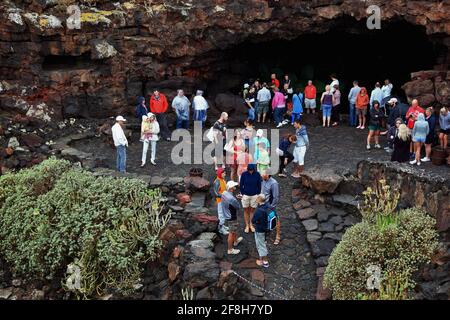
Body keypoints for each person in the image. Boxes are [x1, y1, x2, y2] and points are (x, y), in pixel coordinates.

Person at [221, 181, 244, 255]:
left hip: (227, 214)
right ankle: (230, 249)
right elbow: (238, 207)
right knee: (231, 232)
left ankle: (236, 241)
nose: (235, 187)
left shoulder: (224, 193)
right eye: (234, 186)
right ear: (231, 188)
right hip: (232, 216)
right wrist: (240, 199)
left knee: (234, 230)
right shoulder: (231, 199)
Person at [239, 163, 262, 233]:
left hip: (254, 195)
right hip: (246, 195)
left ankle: (251, 224)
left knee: (252, 210)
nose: (250, 171)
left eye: (252, 170)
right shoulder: (244, 174)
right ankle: (247, 225)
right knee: (246, 210)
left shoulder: (257, 174)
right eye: (249, 170)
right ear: (248, 169)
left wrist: (258, 193)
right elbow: (241, 184)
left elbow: (259, 184)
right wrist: (243, 193)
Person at [261, 170, 280, 245]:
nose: (261, 175)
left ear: (268, 174)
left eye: (263, 174)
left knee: (275, 218)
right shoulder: (263, 180)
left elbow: (276, 197)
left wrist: (272, 207)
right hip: (263, 204)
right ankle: (266, 232)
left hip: (270, 206)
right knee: (265, 219)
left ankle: (278, 236)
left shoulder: (274, 183)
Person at [251, 194, 270, 268]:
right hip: (266, 228)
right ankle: (262, 258)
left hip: (260, 230)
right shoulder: (267, 206)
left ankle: (265, 262)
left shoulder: (259, 210)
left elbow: (253, 220)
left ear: (259, 200)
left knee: (261, 245)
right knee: (263, 242)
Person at [213, 167, 228, 235]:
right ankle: (220, 229)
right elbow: (216, 193)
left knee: (224, 214)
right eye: (223, 173)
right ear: (220, 174)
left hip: (224, 200)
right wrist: (223, 196)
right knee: (221, 215)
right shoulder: (217, 182)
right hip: (220, 201)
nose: (225, 174)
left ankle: (222, 225)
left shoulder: (222, 180)